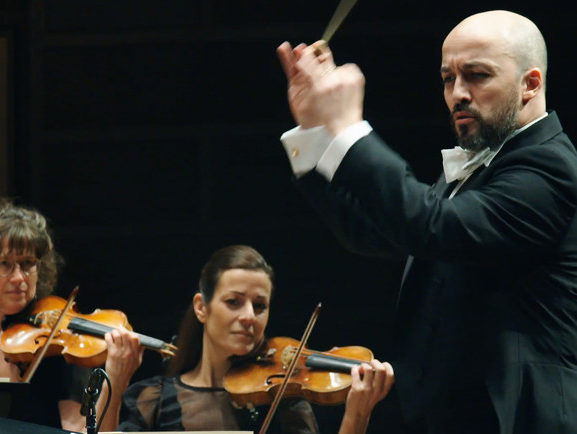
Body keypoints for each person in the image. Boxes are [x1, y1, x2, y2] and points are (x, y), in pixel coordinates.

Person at [276, 10, 577, 434]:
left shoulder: (549, 168)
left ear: (530, 83)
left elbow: (431, 225)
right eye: (448, 78)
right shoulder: (479, 169)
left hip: (518, 419)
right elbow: (374, 231)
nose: (458, 93)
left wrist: (348, 127)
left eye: (476, 75)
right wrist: (314, 129)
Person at [111, 245, 394, 433]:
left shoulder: (283, 402)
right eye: (234, 302)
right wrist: (114, 381)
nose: (249, 317)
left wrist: (357, 415)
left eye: (260, 306)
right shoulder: (152, 399)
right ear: (201, 307)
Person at [0, 198, 143, 431]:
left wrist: (115, 382)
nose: (19, 278)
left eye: (28, 263)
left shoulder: (58, 349)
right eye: (4, 264)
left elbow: (82, 432)